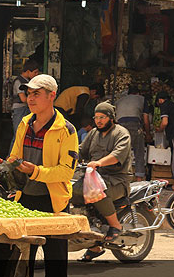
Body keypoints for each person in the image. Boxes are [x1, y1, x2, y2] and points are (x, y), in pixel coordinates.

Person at [0, 74, 78, 277]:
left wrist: (36, 171)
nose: (30, 98)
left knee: (55, 264)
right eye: (28, 93)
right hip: (24, 200)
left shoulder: (66, 130)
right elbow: (15, 156)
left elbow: (67, 171)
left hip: (54, 203)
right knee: (23, 261)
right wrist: (6, 167)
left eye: (36, 94)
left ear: (52, 96)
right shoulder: (24, 123)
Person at [72, 102, 132, 262]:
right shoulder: (93, 134)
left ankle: (115, 225)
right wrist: (67, 154)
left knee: (98, 192)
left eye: (102, 118)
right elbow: (81, 150)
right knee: (72, 192)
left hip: (117, 180)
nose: (98, 121)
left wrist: (99, 162)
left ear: (111, 118)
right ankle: (94, 245)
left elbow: (117, 154)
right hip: (93, 176)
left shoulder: (121, 133)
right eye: (96, 117)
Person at [116, 86, 152, 181]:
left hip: (119, 126)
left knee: (121, 152)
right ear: (138, 93)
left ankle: (120, 176)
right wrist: (148, 134)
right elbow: (146, 119)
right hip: (134, 125)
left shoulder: (119, 100)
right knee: (139, 151)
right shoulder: (142, 99)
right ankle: (139, 178)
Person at [9, 59, 40, 152]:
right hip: (19, 110)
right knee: (18, 134)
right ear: (27, 72)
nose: (36, 74)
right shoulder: (19, 81)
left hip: (25, 109)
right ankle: (11, 157)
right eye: (35, 72)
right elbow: (23, 99)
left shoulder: (27, 81)